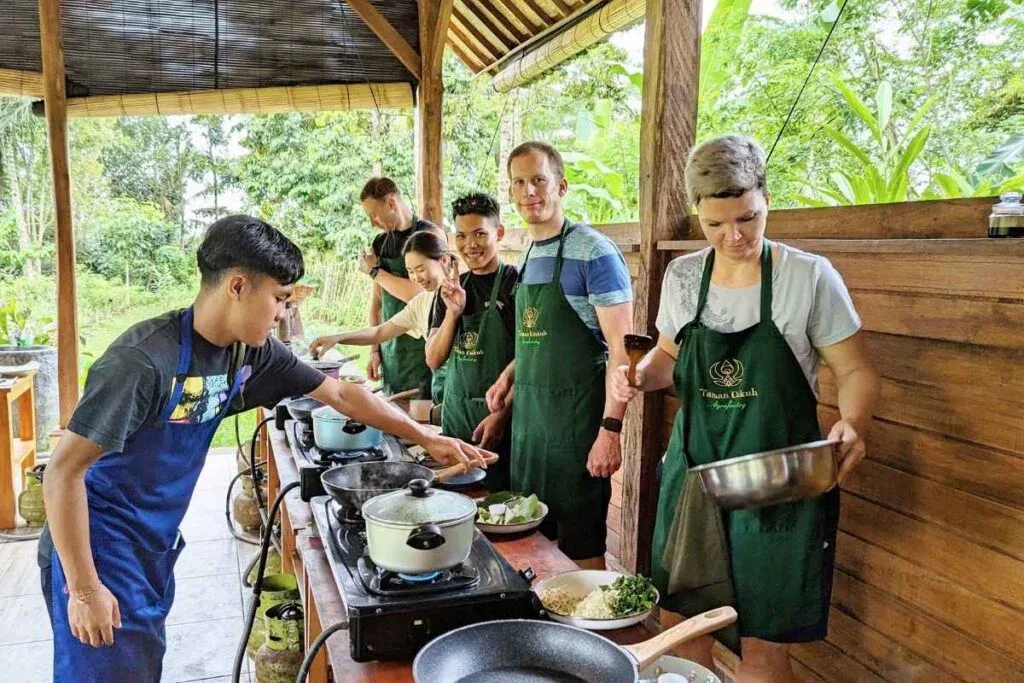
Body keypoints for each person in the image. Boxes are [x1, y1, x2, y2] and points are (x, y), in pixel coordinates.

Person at [37, 216, 492, 683]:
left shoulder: (247, 351)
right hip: (97, 545)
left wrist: (427, 438)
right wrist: (85, 591)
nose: (282, 313)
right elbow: (62, 473)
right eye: (279, 298)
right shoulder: (143, 361)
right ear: (237, 286)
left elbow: (341, 394)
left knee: (137, 668)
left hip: (151, 544)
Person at [610, 135, 879, 681]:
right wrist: (636, 377)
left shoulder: (808, 276)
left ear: (766, 200)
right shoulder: (685, 277)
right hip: (696, 480)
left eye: (748, 218)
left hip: (778, 483)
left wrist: (853, 423)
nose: (733, 236)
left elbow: (856, 372)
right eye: (715, 224)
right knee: (685, 629)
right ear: (698, 215)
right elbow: (668, 360)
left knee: (763, 645)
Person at [485, 142, 634, 569]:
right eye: (519, 182)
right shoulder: (528, 253)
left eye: (538, 180)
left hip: (576, 435)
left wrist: (610, 432)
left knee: (580, 552)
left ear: (561, 186)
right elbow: (537, 339)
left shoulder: (594, 252)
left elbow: (622, 352)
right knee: (532, 549)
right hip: (530, 436)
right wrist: (509, 377)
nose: (529, 191)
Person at [425, 193, 519, 491]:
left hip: (501, 420)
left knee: (498, 503)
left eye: (480, 234)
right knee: (456, 498)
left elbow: (529, 357)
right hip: (456, 418)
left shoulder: (515, 283)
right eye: (462, 236)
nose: (470, 245)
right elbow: (433, 359)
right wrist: (453, 313)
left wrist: (501, 415)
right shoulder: (451, 289)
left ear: (499, 233)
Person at [309, 228, 455, 405]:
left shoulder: (464, 296)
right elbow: (379, 333)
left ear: (444, 260)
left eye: (420, 269)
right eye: (410, 271)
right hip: (445, 395)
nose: (416, 278)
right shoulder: (421, 303)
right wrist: (337, 338)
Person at [358, 177, 436, 397]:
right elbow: (377, 301)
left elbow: (421, 294)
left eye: (374, 215)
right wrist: (374, 350)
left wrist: (374, 271)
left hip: (421, 351)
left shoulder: (429, 235)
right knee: (391, 409)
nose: (373, 223)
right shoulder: (380, 243)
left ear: (392, 203)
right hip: (390, 349)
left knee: (421, 412)